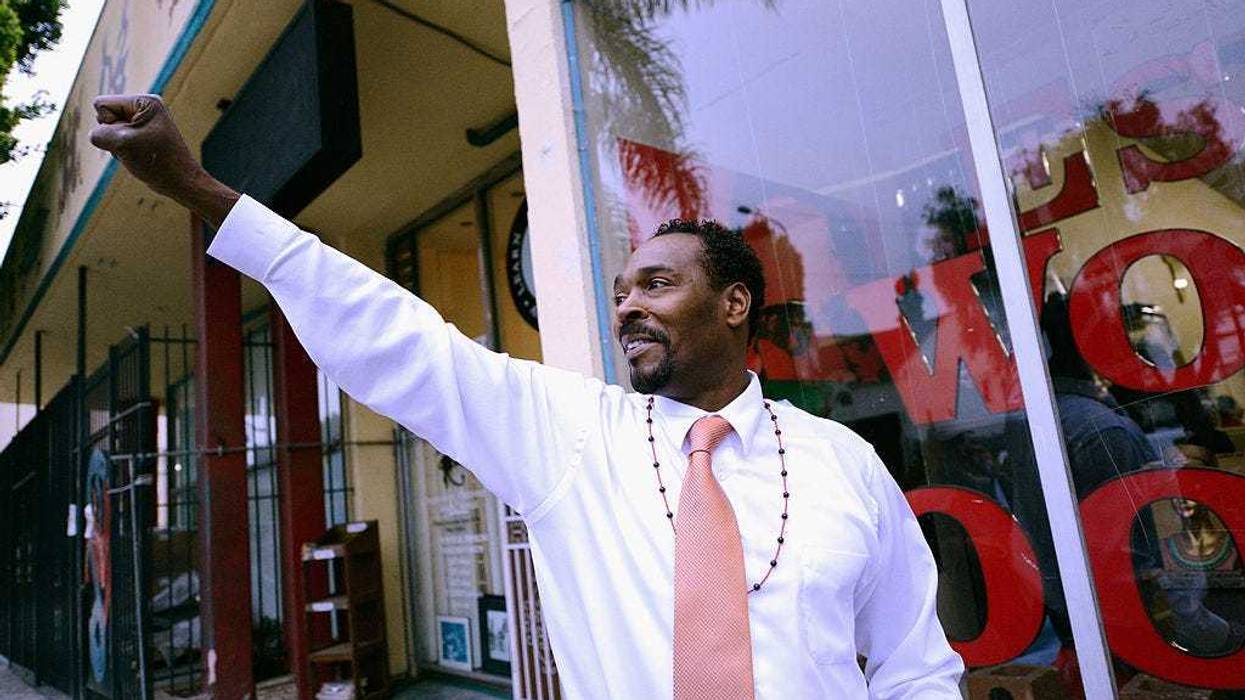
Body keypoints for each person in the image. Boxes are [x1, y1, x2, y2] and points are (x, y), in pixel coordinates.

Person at [89, 93, 963, 699]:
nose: (628, 306)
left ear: (734, 304)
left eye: (656, 285)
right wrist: (198, 191)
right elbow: (398, 338)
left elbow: (912, 665)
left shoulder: (841, 462)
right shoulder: (571, 435)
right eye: (621, 290)